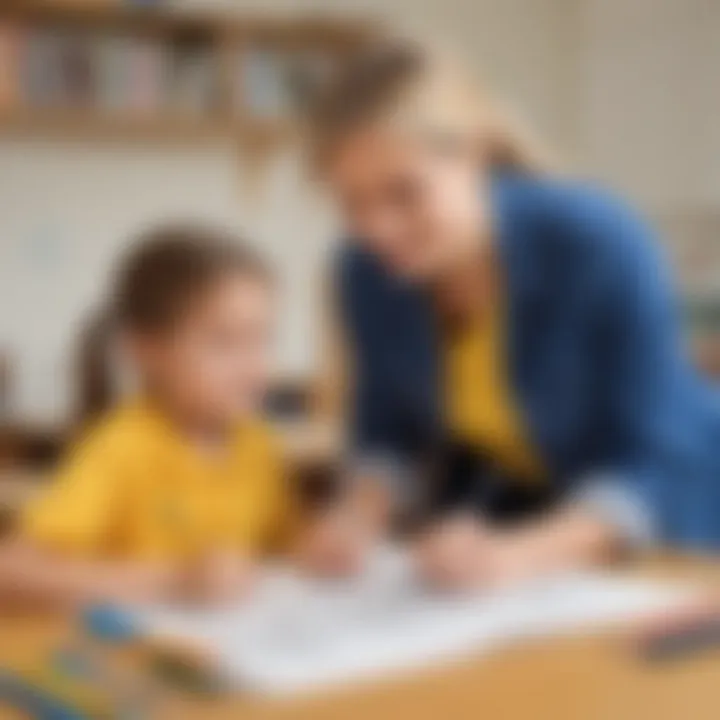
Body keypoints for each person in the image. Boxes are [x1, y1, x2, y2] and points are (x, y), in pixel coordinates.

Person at [306, 37, 720, 590]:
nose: (377, 229)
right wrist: (355, 517)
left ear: (472, 153)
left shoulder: (599, 241)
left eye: (404, 193)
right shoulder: (367, 273)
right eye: (352, 203)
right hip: (537, 542)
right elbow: (386, 430)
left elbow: (652, 456)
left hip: (681, 531)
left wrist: (520, 554)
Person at [0, 225, 330, 609]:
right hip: (128, 655)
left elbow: (280, 543)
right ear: (147, 349)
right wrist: (177, 578)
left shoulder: (255, 443)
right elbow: (12, 573)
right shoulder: (122, 447)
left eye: (262, 339)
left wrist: (317, 546)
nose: (256, 368)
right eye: (225, 342)